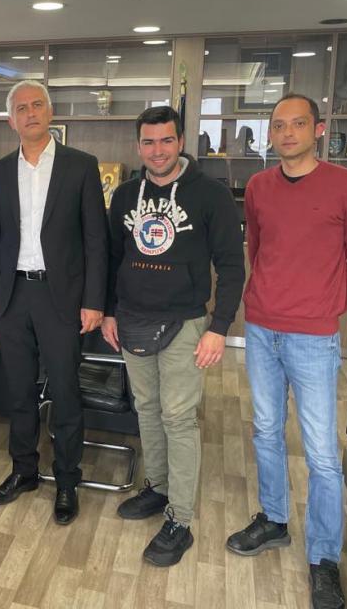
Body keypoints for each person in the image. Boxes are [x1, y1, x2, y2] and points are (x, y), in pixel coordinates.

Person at [226, 93, 347, 609]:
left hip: (314, 335)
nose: (287, 134)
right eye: (278, 125)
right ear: (270, 133)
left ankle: (324, 558)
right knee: (266, 430)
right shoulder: (259, 187)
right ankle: (274, 519)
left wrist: (326, 306)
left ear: (318, 129)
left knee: (320, 452)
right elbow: (257, 247)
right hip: (261, 328)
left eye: (297, 124)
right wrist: (266, 298)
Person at [101, 106, 245, 567]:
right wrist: (109, 311)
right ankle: (159, 487)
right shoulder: (126, 195)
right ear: (138, 145)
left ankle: (180, 520)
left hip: (185, 323)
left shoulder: (211, 194)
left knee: (179, 418)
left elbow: (231, 266)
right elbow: (112, 258)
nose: (157, 150)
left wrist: (218, 328)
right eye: (148, 142)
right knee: (146, 409)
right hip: (131, 319)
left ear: (181, 142)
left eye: (166, 140)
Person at [0, 80, 107, 525]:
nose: (29, 113)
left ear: (50, 113)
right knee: (19, 391)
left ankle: (67, 479)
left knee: (65, 391)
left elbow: (96, 240)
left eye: (37, 105)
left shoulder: (81, 166)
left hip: (62, 297)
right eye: (20, 108)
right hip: (12, 295)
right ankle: (24, 471)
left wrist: (94, 300)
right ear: (10, 120)